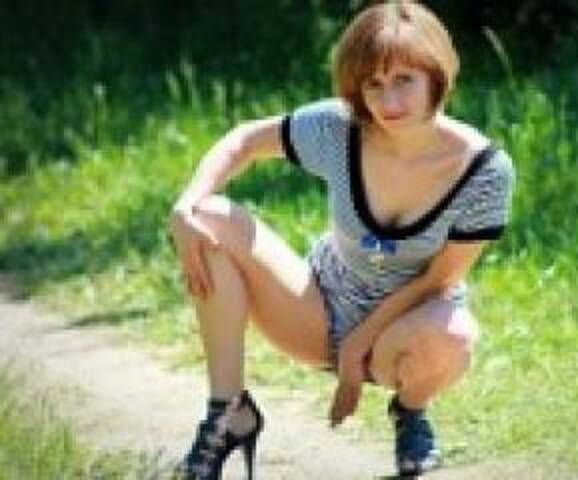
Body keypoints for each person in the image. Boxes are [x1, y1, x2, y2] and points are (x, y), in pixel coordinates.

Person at [169, 1, 515, 478]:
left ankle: (411, 411)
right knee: (206, 218)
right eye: (373, 84)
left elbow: (439, 279)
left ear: (437, 75)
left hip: (406, 331)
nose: (388, 102)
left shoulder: (483, 170)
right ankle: (227, 413)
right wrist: (186, 204)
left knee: (456, 334)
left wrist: (357, 348)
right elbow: (244, 140)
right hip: (316, 309)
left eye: (404, 80)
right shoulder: (341, 128)